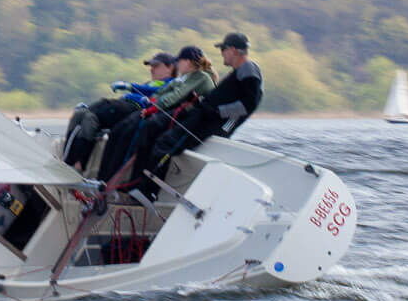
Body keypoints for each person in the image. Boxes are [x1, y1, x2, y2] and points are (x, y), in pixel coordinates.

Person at [125, 32, 265, 191]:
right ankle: (140, 187)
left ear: (232, 49)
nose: (222, 54)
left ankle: (147, 192)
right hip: (202, 117)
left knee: (164, 144)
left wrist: (215, 111)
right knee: (159, 137)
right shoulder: (241, 70)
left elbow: (249, 104)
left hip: (208, 122)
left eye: (223, 49)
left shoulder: (248, 69)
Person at [95, 45, 217, 182]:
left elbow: (176, 96)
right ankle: (103, 178)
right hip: (172, 115)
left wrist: (153, 106)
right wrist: (151, 100)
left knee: (137, 132)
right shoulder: (185, 77)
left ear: (187, 62)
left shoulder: (201, 77)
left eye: (180, 61)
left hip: (192, 122)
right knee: (119, 130)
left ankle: (121, 182)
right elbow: (163, 91)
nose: (177, 64)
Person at [61, 52, 174, 170]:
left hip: (133, 109)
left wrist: (130, 86)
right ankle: (68, 161)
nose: (151, 69)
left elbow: (155, 91)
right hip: (121, 105)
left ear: (170, 67)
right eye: (151, 66)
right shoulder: (150, 82)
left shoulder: (171, 83)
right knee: (81, 114)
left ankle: (77, 164)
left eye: (156, 66)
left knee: (90, 116)